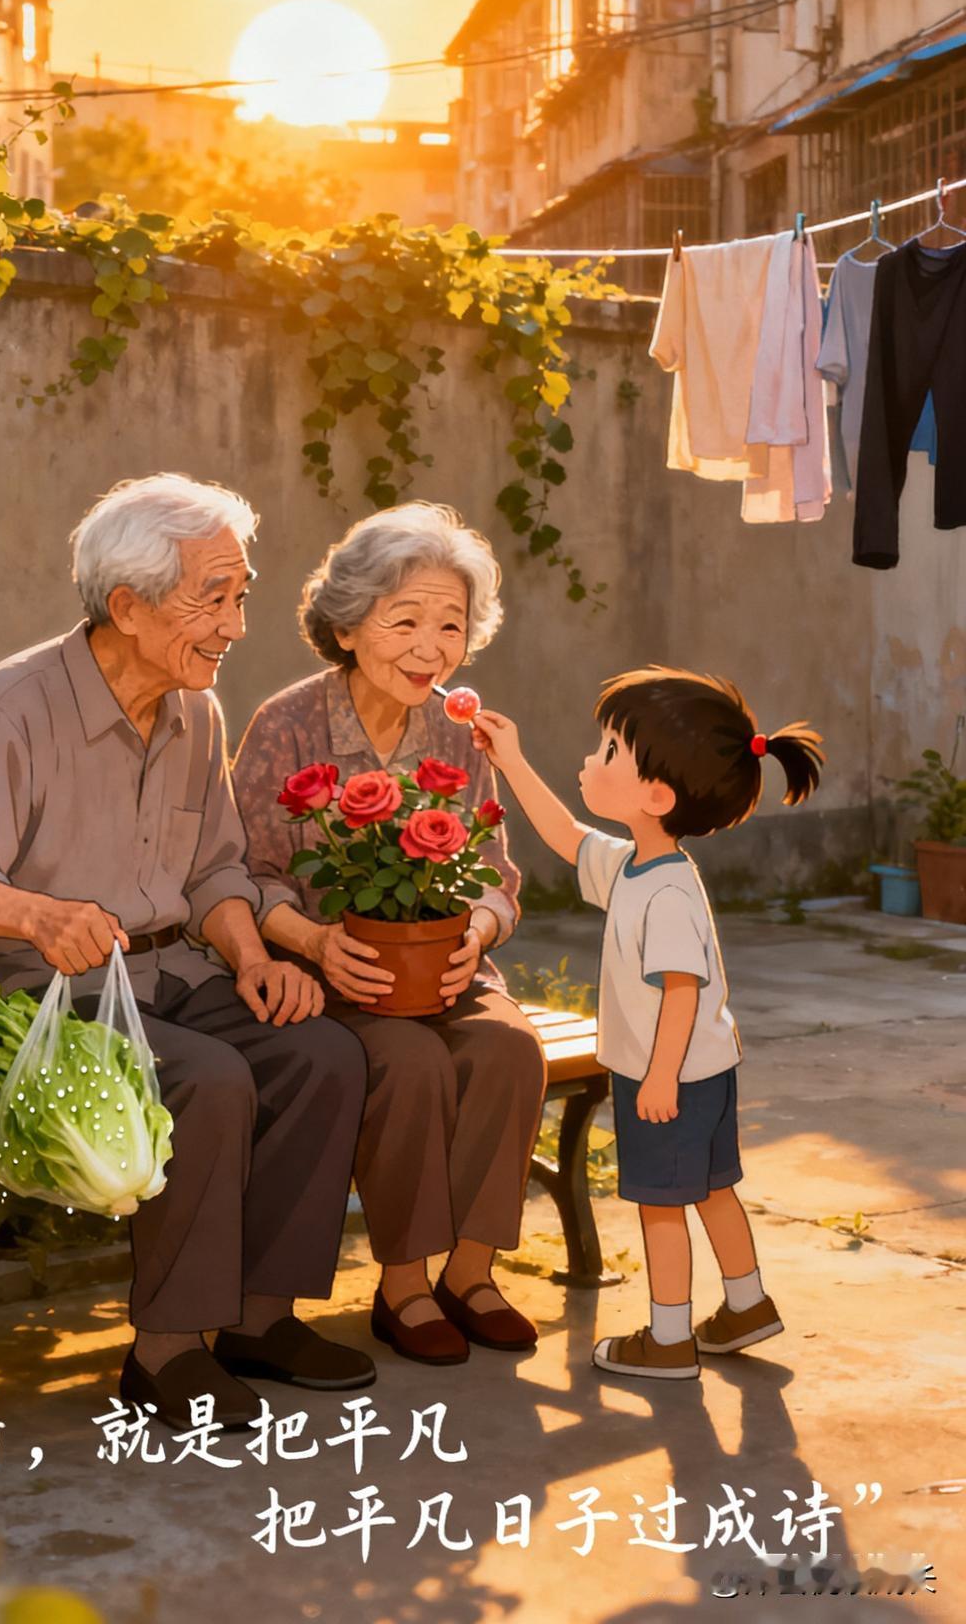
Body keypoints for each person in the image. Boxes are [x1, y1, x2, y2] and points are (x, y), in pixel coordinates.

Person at [0, 473, 374, 1429]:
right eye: (215, 598)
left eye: (240, 596)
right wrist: (37, 916)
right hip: (34, 986)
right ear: (128, 604)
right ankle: (164, 1353)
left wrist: (251, 958)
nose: (237, 625)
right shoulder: (11, 709)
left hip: (170, 974)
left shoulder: (196, 710)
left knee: (321, 1051)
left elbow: (216, 872)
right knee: (209, 1080)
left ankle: (255, 1318)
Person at [232, 503, 547, 1366]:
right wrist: (312, 941)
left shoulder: (457, 726)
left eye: (450, 624)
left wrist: (479, 932)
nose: (430, 646)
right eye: (403, 619)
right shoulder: (285, 725)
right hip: (336, 975)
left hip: (446, 970)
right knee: (406, 1065)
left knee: (509, 1048)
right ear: (346, 624)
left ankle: (471, 1276)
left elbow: (496, 874)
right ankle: (404, 1286)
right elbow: (245, 877)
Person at [472, 667, 824, 1380]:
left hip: (671, 1076)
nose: (589, 761)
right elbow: (568, 837)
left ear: (657, 796)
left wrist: (659, 1076)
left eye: (607, 753)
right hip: (707, 1071)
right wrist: (509, 760)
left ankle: (667, 1340)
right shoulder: (639, 864)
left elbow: (680, 991)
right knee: (713, 1187)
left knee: (661, 1207)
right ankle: (747, 1301)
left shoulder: (664, 891)